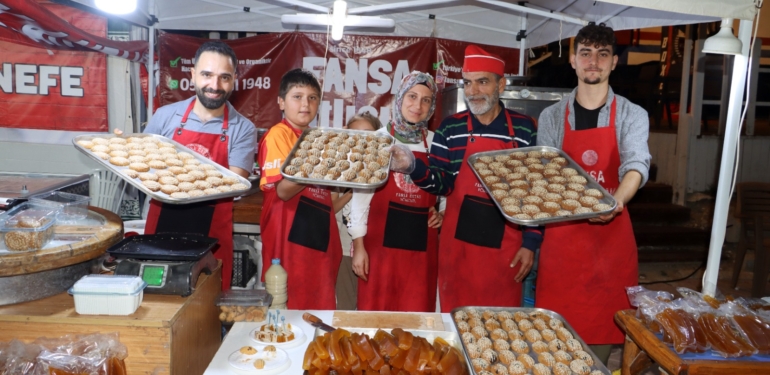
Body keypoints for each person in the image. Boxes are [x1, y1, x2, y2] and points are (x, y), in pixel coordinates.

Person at [390, 46, 542, 312]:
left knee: (500, 326)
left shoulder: (524, 128)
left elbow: (534, 191)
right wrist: (413, 167)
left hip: (505, 252)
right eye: (468, 83)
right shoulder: (451, 128)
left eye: (482, 82)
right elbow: (442, 184)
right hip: (458, 252)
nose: (473, 91)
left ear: (501, 85)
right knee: (456, 322)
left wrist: (530, 243)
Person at [535, 23, 651, 363]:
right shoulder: (552, 116)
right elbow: (546, 175)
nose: (593, 62)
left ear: (614, 62)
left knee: (596, 356)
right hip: (563, 245)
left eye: (602, 54)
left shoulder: (632, 114)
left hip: (609, 248)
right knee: (555, 347)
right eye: (585, 53)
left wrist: (616, 201)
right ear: (573, 60)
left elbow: (636, 164)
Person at [143, 40, 256, 290]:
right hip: (161, 227)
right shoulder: (165, 117)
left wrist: (172, 174)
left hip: (212, 237)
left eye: (224, 77)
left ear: (234, 80)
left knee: (209, 302)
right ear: (193, 75)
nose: (214, 86)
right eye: (207, 75)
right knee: (158, 297)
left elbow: (231, 184)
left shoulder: (243, 129)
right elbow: (143, 169)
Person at [348, 72, 444, 312]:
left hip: (421, 250)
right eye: (412, 96)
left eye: (426, 100)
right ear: (400, 98)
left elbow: (447, 187)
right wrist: (359, 246)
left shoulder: (436, 143)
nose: (418, 106)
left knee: (417, 315)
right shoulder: (378, 140)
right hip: (379, 248)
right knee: (376, 315)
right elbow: (360, 200)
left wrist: (443, 212)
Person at [258, 68, 341, 310]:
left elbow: (327, 197)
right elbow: (283, 191)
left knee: (319, 307)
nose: (306, 104)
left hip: (318, 232)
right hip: (289, 235)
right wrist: (317, 164)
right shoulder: (278, 135)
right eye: (297, 96)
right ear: (281, 102)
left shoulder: (318, 138)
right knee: (288, 307)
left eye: (312, 97)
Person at [333, 113, 382, 310]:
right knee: (345, 305)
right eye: (356, 134)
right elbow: (331, 208)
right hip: (345, 247)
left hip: (375, 248)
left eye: (368, 134)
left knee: (371, 306)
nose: (362, 140)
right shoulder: (338, 167)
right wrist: (356, 190)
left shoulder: (382, 167)